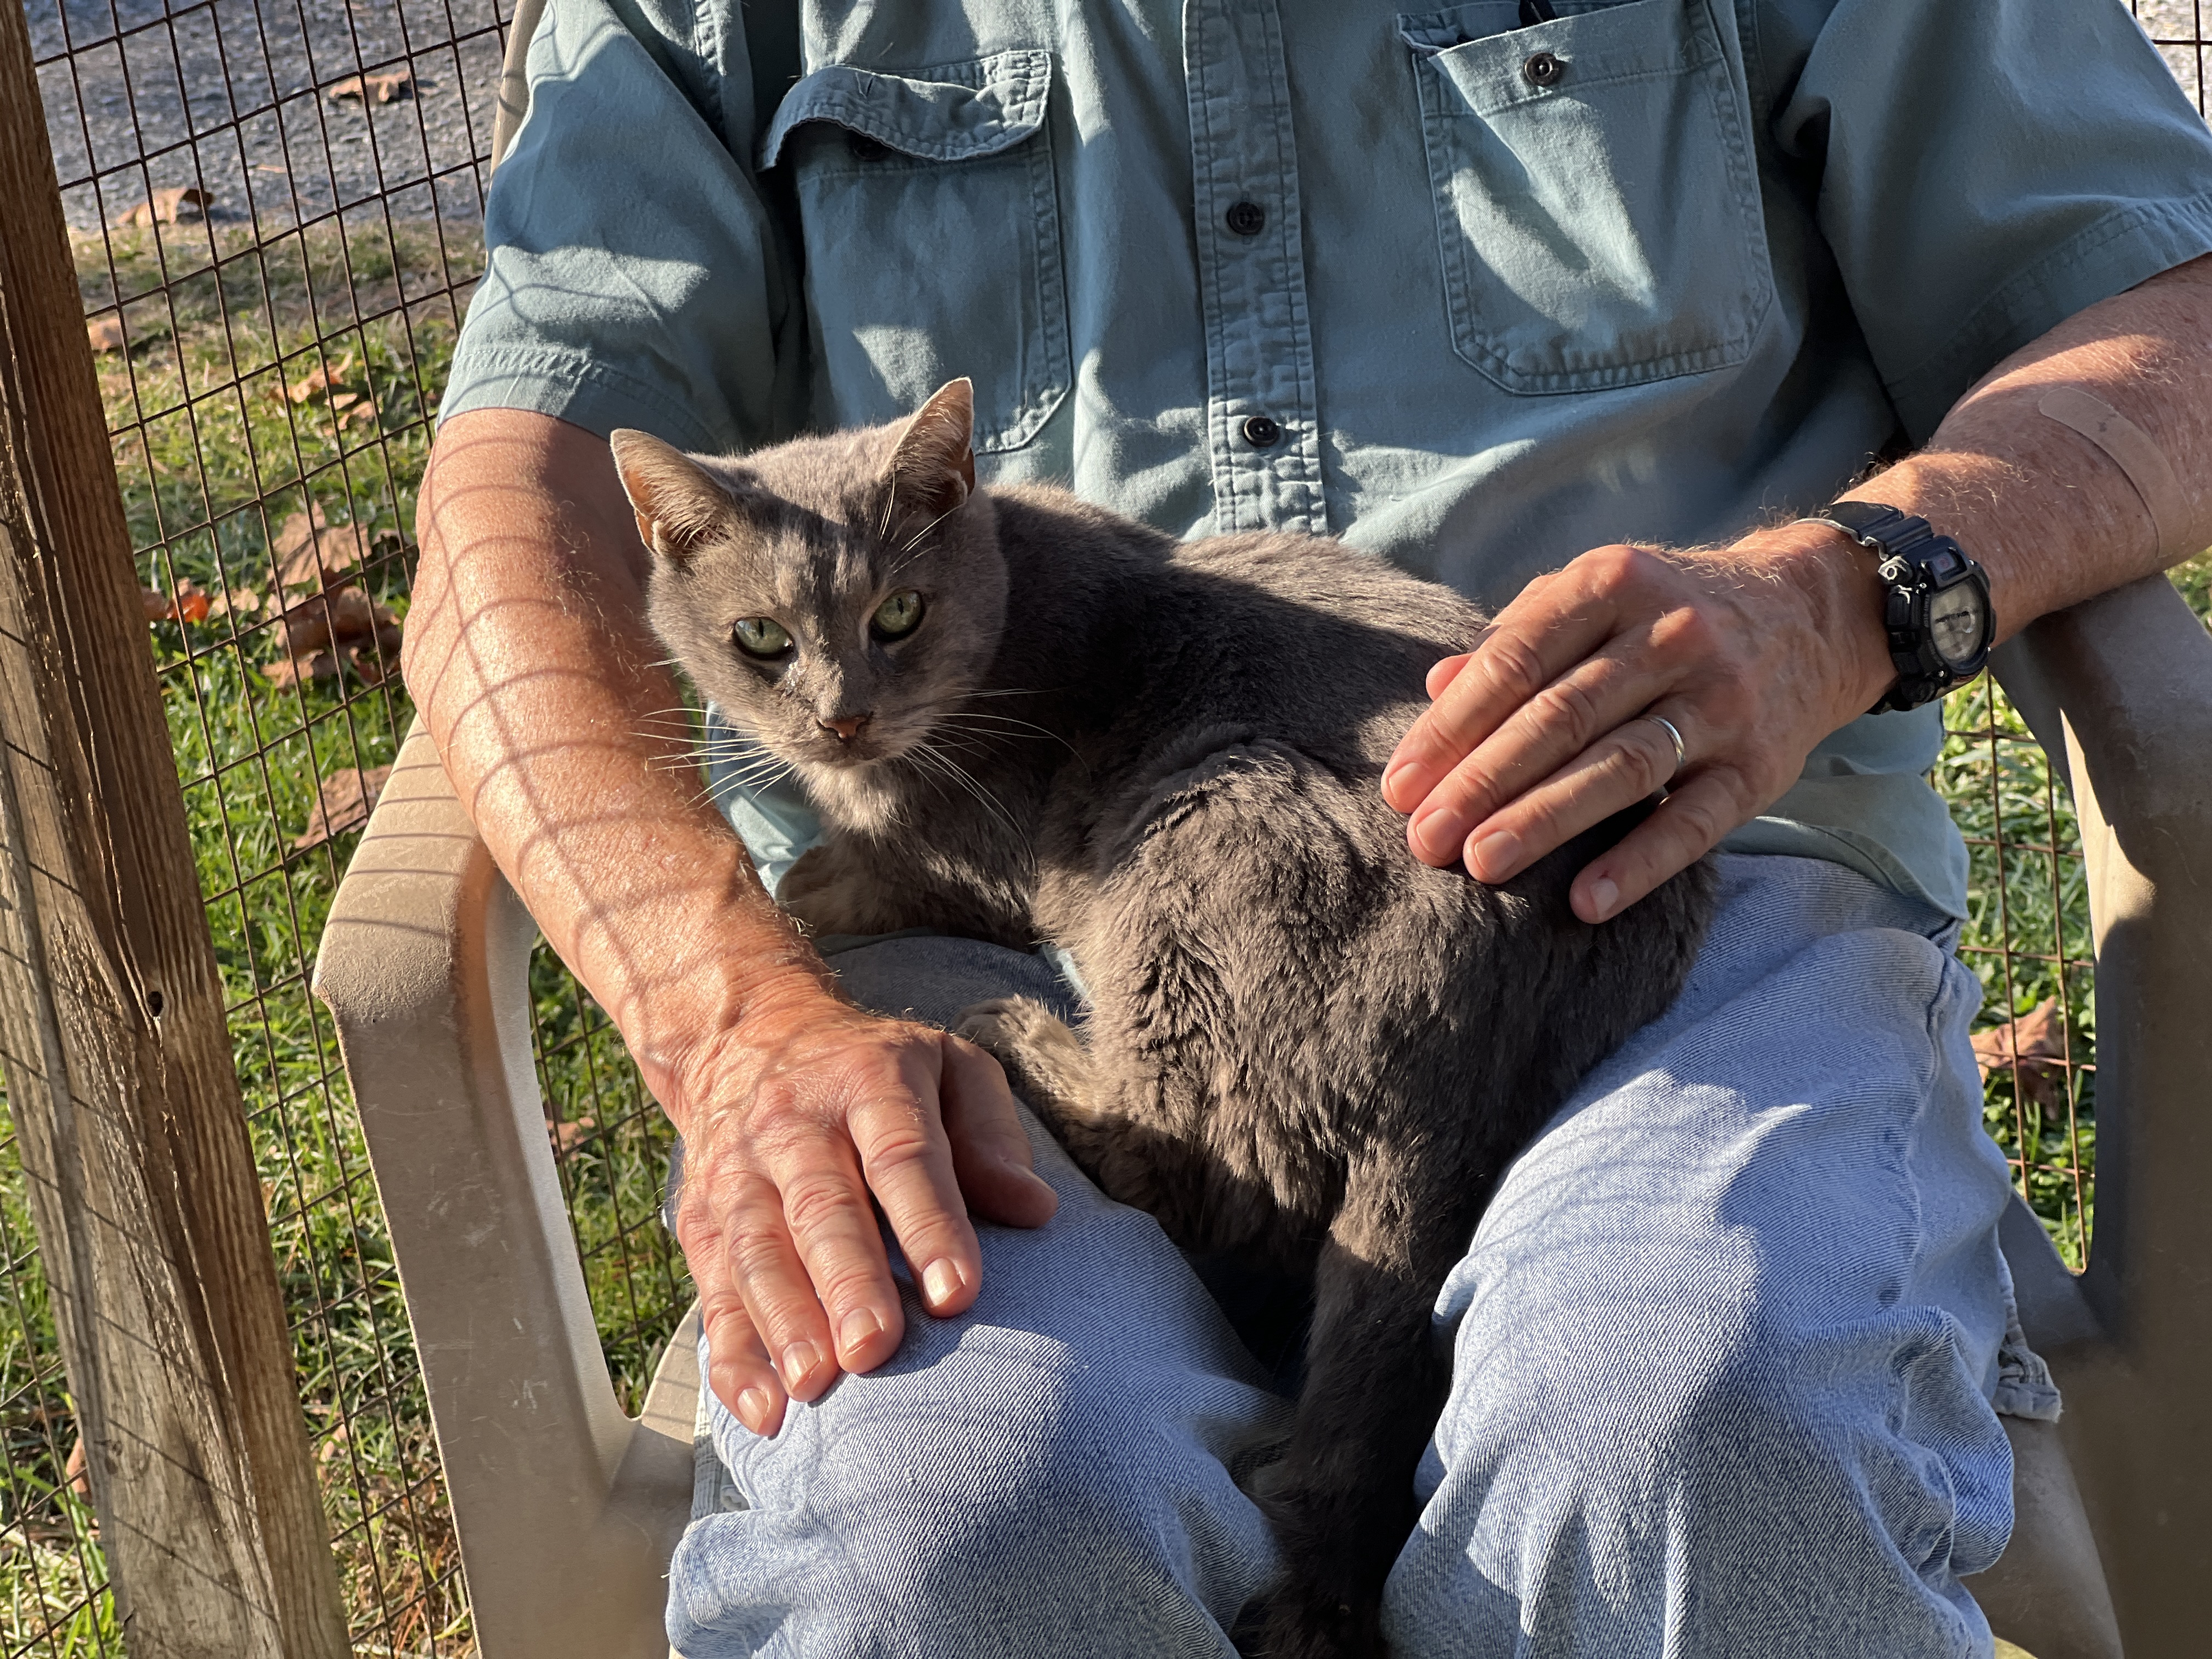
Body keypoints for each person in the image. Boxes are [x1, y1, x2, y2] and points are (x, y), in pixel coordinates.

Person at [403, 0, 2212, 1651]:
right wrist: (735, 1022)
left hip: (1674, 880)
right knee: (948, 1525)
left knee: (1678, 1421)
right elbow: (517, 497)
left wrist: (1833, 598)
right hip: (981, 951)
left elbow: (2173, 304)